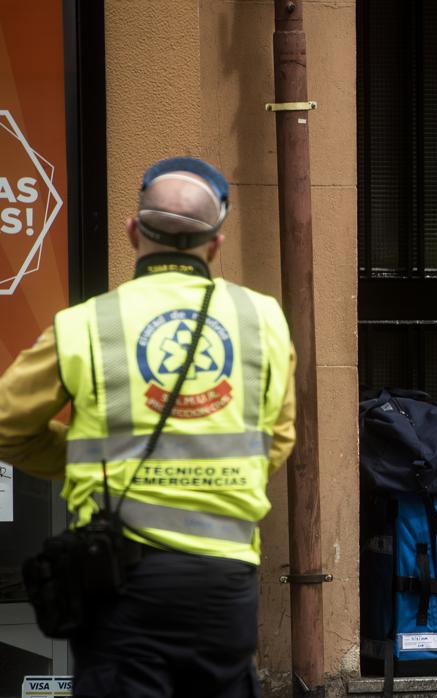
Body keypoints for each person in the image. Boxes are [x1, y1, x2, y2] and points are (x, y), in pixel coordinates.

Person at [0, 157, 296, 697]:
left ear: (133, 231)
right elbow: (278, 438)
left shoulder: (88, 325)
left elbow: (6, 425)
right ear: (216, 243)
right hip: (227, 584)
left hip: (121, 582)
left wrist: (89, 463)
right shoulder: (264, 320)